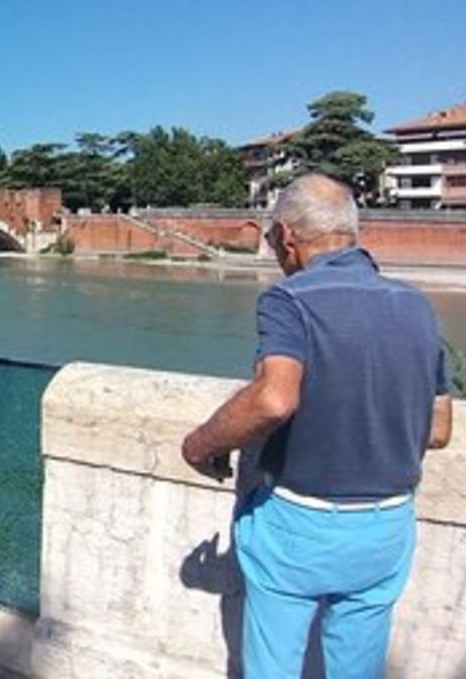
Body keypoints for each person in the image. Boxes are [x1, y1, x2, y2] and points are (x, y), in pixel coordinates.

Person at [182, 174, 455, 678]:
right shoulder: (417, 306)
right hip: (388, 523)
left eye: (271, 241)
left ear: (287, 237)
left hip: (299, 522)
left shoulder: (290, 301)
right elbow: (438, 429)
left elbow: (274, 398)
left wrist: (199, 445)